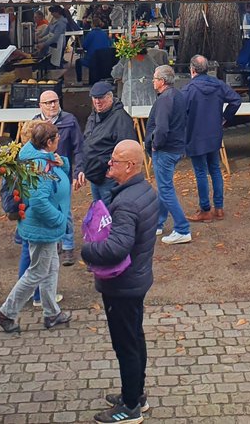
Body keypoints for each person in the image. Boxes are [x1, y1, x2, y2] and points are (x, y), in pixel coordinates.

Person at [83, 141, 158, 424]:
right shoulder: (143, 191)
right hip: (137, 280)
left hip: (123, 285)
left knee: (126, 344)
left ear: (131, 166)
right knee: (134, 337)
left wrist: (87, 249)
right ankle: (136, 394)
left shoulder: (126, 202)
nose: (109, 164)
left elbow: (117, 247)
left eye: (115, 161)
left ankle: (129, 408)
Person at [0, 120, 73, 334]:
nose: (59, 140)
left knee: (50, 267)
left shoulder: (41, 158)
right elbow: (38, 201)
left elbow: (59, 178)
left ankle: (52, 312)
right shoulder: (39, 166)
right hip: (43, 227)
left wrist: (61, 163)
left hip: (42, 227)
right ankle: (6, 313)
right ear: (48, 142)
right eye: (56, 138)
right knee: (37, 272)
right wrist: (58, 219)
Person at [181, 54, 241, 223]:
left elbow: (180, 113)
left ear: (192, 70)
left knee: (201, 172)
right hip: (214, 133)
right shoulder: (218, 85)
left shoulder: (188, 90)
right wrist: (224, 117)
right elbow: (236, 100)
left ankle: (205, 209)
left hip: (195, 134)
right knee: (215, 169)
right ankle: (219, 207)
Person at [146, 65, 191, 245]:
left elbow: (162, 128)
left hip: (165, 149)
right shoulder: (178, 95)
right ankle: (158, 223)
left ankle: (182, 228)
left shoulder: (165, 99)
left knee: (165, 189)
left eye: (155, 78)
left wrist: (155, 144)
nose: (153, 81)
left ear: (162, 81)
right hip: (175, 147)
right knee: (164, 186)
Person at [38, 90, 82, 265]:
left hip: (63, 174)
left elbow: (79, 147)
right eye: (47, 103)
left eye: (54, 101)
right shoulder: (35, 124)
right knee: (47, 209)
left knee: (65, 210)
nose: (52, 105)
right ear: (40, 106)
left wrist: (78, 170)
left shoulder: (69, 121)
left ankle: (68, 246)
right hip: (41, 175)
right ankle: (53, 242)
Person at [76, 82, 136, 204]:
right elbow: (87, 142)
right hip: (95, 176)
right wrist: (82, 167)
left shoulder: (121, 119)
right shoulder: (94, 115)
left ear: (110, 97)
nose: (97, 101)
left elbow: (128, 150)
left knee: (111, 214)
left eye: (101, 98)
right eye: (94, 98)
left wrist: (113, 171)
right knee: (100, 212)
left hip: (110, 178)